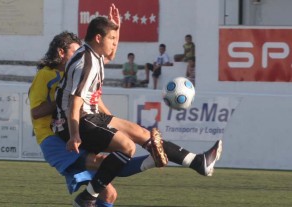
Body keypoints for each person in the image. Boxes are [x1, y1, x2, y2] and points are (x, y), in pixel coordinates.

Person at [55, 4, 223, 202]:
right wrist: (74, 135)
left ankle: (198, 162)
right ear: (98, 38)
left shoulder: (95, 53)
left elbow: (111, 55)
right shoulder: (86, 62)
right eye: (111, 38)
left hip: (90, 116)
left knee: (146, 135)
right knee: (127, 147)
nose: (114, 43)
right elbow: (74, 102)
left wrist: (117, 27)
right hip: (75, 121)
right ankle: (88, 197)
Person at [29, 31, 158, 207]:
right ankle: (154, 161)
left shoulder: (74, 75)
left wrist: (109, 121)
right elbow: (36, 112)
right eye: (74, 52)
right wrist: (66, 99)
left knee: (109, 193)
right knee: (105, 165)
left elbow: (104, 66)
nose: (78, 57)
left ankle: (154, 161)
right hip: (51, 140)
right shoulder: (45, 74)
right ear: (61, 52)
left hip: (68, 134)